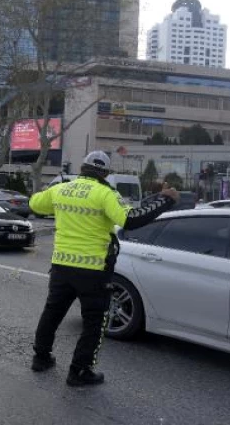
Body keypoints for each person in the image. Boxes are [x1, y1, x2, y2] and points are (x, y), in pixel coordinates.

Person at [28, 151, 179, 387]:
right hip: (93, 270)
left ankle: (40, 358)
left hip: (61, 266)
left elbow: (34, 203)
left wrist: (50, 193)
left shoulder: (61, 189)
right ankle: (79, 371)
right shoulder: (106, 193)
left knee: (52, 313)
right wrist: (165, 200)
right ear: (105, 173)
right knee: (94, 323)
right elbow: (130, 219)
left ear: (82, 167)